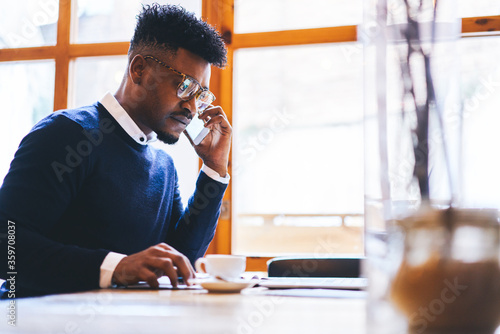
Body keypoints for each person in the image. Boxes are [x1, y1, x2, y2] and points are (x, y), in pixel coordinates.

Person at [0, 4, 231, 298]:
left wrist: (214, 169)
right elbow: (6, 246)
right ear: (139, 70)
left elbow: (178, 261)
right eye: (185, 86)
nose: (193, 107)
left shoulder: (163, 166)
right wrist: (116, 267)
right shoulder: (65, 134)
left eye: (201, 94)